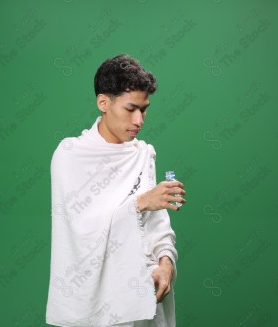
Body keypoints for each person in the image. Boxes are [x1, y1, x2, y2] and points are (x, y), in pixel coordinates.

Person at [45, 54, 187, 327]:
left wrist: (165, 263)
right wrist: (141, 202)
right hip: (99, 303)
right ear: (103, 102)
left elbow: (156, 225)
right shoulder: (70, 154)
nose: (139, 120)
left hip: (145, 292)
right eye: (131, 108)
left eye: (144, 109)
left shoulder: (143, 154)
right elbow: (79, 232)